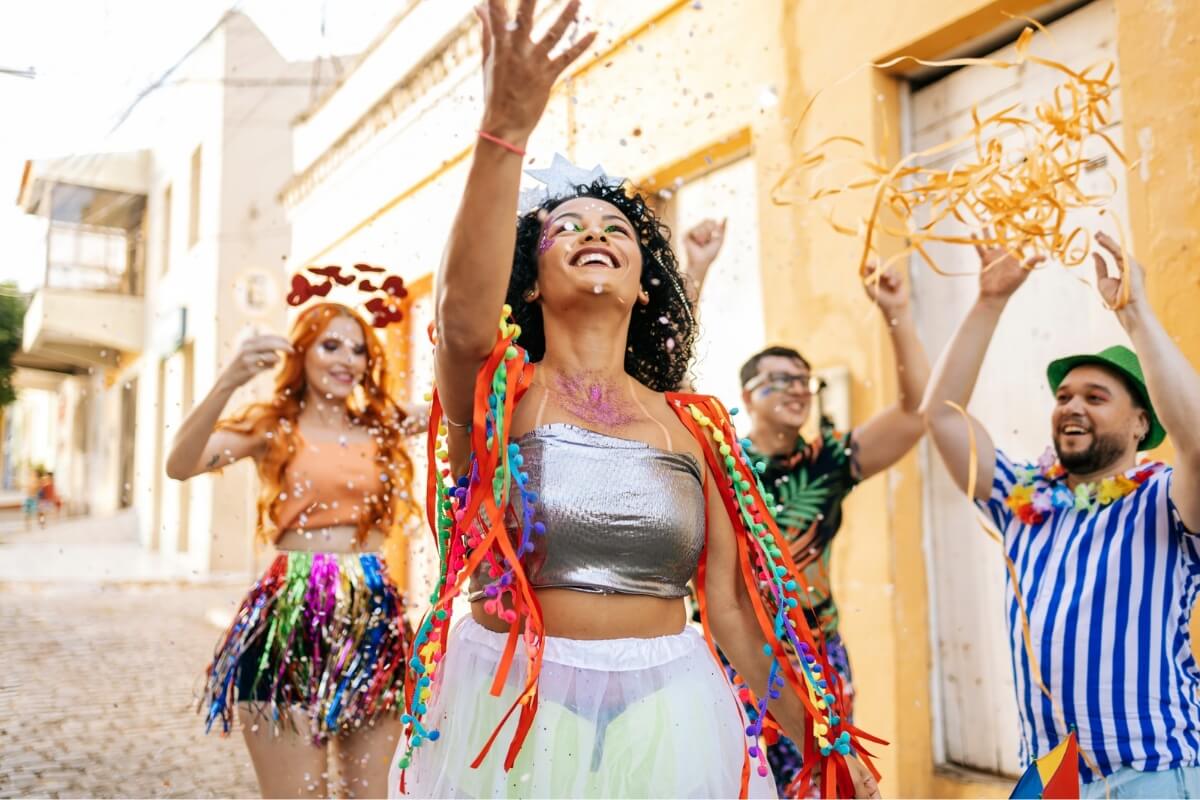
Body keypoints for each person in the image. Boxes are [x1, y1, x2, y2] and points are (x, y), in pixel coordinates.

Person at [387, 2, 880, 798]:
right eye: (567, 226)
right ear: (529, 282)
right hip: (516, 712)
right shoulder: (501, 398)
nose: (595, 233)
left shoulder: (691, 426)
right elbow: (460, 320)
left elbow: (729, 612)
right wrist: (503, 130)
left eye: (616, 228)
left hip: (669, 713)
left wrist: (821, 743)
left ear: (645, 286)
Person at [921, 232, 1200, 798]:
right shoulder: (1023, 498)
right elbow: (942, 418)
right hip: (1051, 780)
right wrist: (989, 301)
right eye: (1064, 396)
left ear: (1141, 424)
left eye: (1096, 397)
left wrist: (1136, 315)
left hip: (1151, 773)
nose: (1072, 405)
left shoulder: (1165, 498)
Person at [687, 229, 929, 795]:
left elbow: (915, 415)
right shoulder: (720, 458)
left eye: (805, 381)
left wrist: (896, 314)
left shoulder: (828, 462)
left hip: (818, 656)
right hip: (733, 654)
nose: (798, 390)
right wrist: (695, 273)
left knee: (827, 784)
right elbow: (670, 378)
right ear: (747, 396)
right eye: (780, 380)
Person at [167, 302, 417, 799]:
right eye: (331, 345)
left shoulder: (381, 425)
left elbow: (463, 407)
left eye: (358, 350)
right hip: (290, 618)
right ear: (301, 352)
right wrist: (230, 380)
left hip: (374, 621)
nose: (346, 359)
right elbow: (181, 464)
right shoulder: (272, 426)